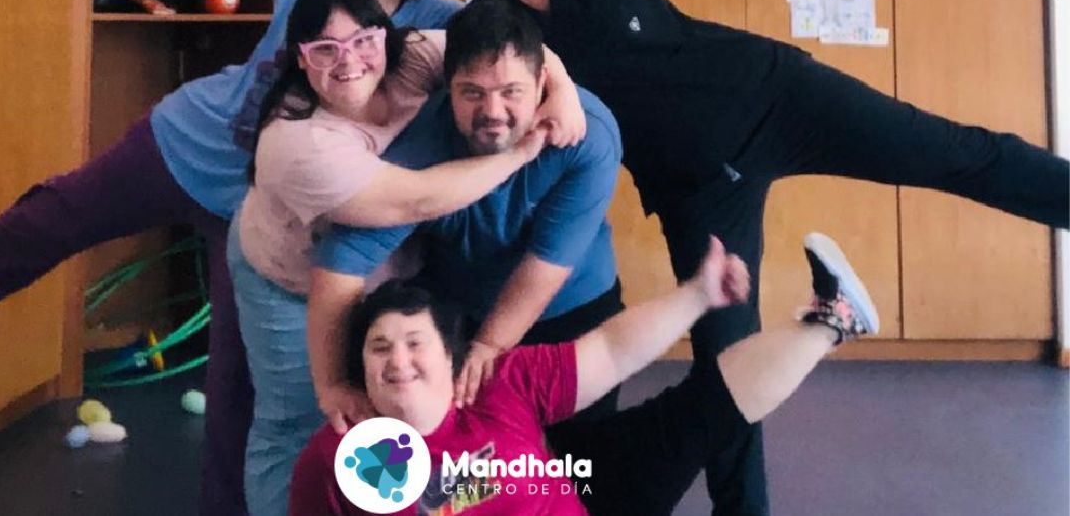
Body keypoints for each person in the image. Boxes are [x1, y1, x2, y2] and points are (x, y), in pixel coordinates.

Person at [445, 0, 1070, 514]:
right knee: (725, 364)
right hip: (694, 188)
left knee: (954, 152)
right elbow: (440, 60)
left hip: (776, 97)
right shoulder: (494, 30)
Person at [0, 0, 472, 515]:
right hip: (187, 140)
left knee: (237, 384)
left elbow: (516, 50)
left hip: (262, 215)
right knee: (54, 213)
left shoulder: (440, 20)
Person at [227, 0, 584, 515]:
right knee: (301, 422)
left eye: (362, 41)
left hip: (384, 272)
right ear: (301, 59)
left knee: (401, 414)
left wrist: (564, 91)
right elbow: (416, 200)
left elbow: (509, 51)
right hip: (288, 277)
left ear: (385, 37)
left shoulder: (413, 55)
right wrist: (520, 153)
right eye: (325, 49)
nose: (348, 61)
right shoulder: (296, 142)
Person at [290, 231, 880, 515]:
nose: (397, 360)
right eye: (379, 348)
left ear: (451, 357)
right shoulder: (336, 456)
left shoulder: (495, 384)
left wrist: (698, 295)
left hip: (582, 491)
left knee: (695, 414)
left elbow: (612, 351)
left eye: (414, 343)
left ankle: (835, 319)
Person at [308, 0, 624, 457]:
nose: (493, 111)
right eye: (472, 92)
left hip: (573, 303)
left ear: (542, 83)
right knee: (469, 467)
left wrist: (491, 345)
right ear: (448, 85)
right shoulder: (419, 148)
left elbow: (546, 264)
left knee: (585, 463)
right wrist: (333, 383)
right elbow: (340, 264)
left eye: (511, 92)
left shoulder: (585, 135)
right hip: (461, 308)